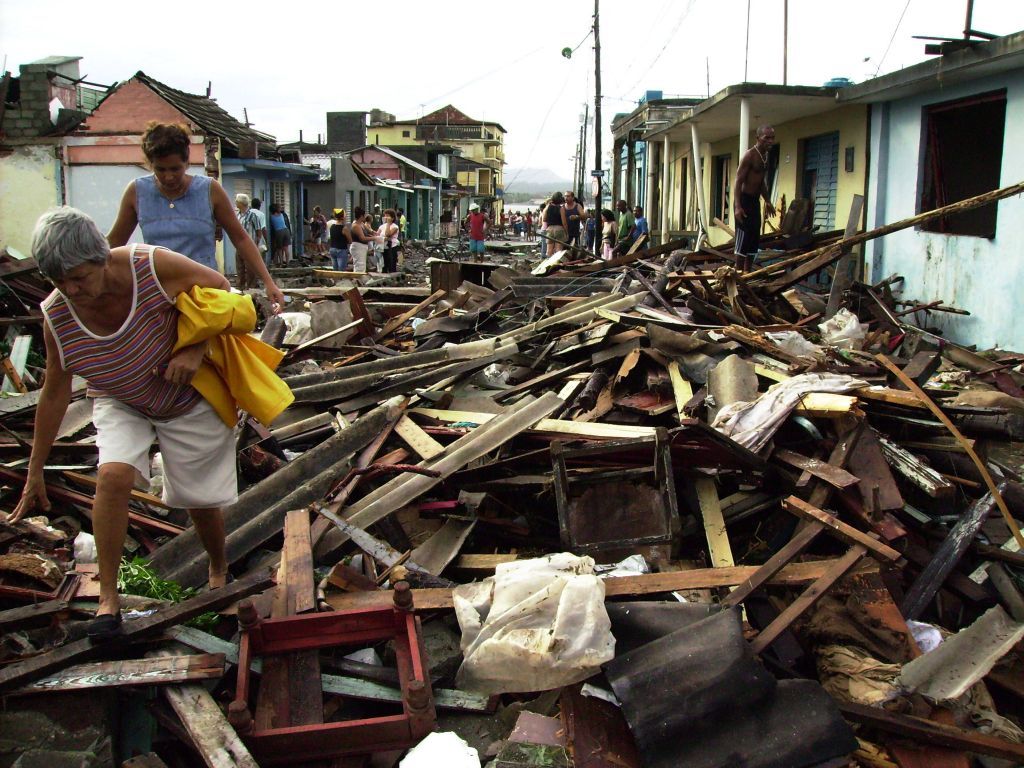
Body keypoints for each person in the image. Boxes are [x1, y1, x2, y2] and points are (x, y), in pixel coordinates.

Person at [13, 207, 243, 639]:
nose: (70, 289)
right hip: (121, 398)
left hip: (185, 395)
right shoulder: (57, 316)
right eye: (59, 281)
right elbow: (55, 392)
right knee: (113, 477)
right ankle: (108, 600)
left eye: (78, 277)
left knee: (199, 500)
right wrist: (34, 469)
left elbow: (223, 292)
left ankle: (217, 565)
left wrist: (193, 350)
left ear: (101, 258)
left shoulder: (151, 267)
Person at [106, 122, 284, 309]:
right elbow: (114, 243)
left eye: (175, 169)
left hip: (205, 295)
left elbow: (240, 238)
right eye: (160, 169)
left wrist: (268, 283)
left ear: (187, 163)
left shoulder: (209, 190)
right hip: (159, 296)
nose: (168, 177)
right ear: (151, 165)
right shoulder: (137, 192)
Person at [733, 124, 778, 272]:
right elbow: (738, 181)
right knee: (743, 239)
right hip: (744, 201)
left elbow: (761, 182)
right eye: (767, 138)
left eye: (772, 138)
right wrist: (737, 206)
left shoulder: (766, 156)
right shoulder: (750, 155)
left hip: (754, 202)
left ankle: (748, 273)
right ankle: (738, 275)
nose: (770, 141)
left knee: (753, 237)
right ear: (758, 138)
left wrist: (768, 200)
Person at [234, 194, 264, 290]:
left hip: (249, 246)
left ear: (241, 203)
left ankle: (251, 289)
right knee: (240, 268)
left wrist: (255, 245)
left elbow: (259, 232)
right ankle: (240, 288)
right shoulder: (238, 215)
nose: (235, 203)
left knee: (250, 270)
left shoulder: (252, 216)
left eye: (237, 201)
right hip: (239, 246)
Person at [348, 206, 373, 272]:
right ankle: (357, 280)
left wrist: (376, 234)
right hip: (358, 247)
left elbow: (369, 231)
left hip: (362, 247)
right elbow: (362, 238)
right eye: (364, 215)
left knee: (362, 266)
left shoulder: (361, 224)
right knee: (359, 267)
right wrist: (375, 238)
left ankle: (359, 279)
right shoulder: (356, 226)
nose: (365, 217)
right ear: (361, 216)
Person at [250, 198, 270, 266]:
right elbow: (263, 229)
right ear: (259, 206)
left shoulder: (248, 213)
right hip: (259, 239)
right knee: (261, 259)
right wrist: (267, 242)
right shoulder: (261, 214)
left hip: (249, 239)